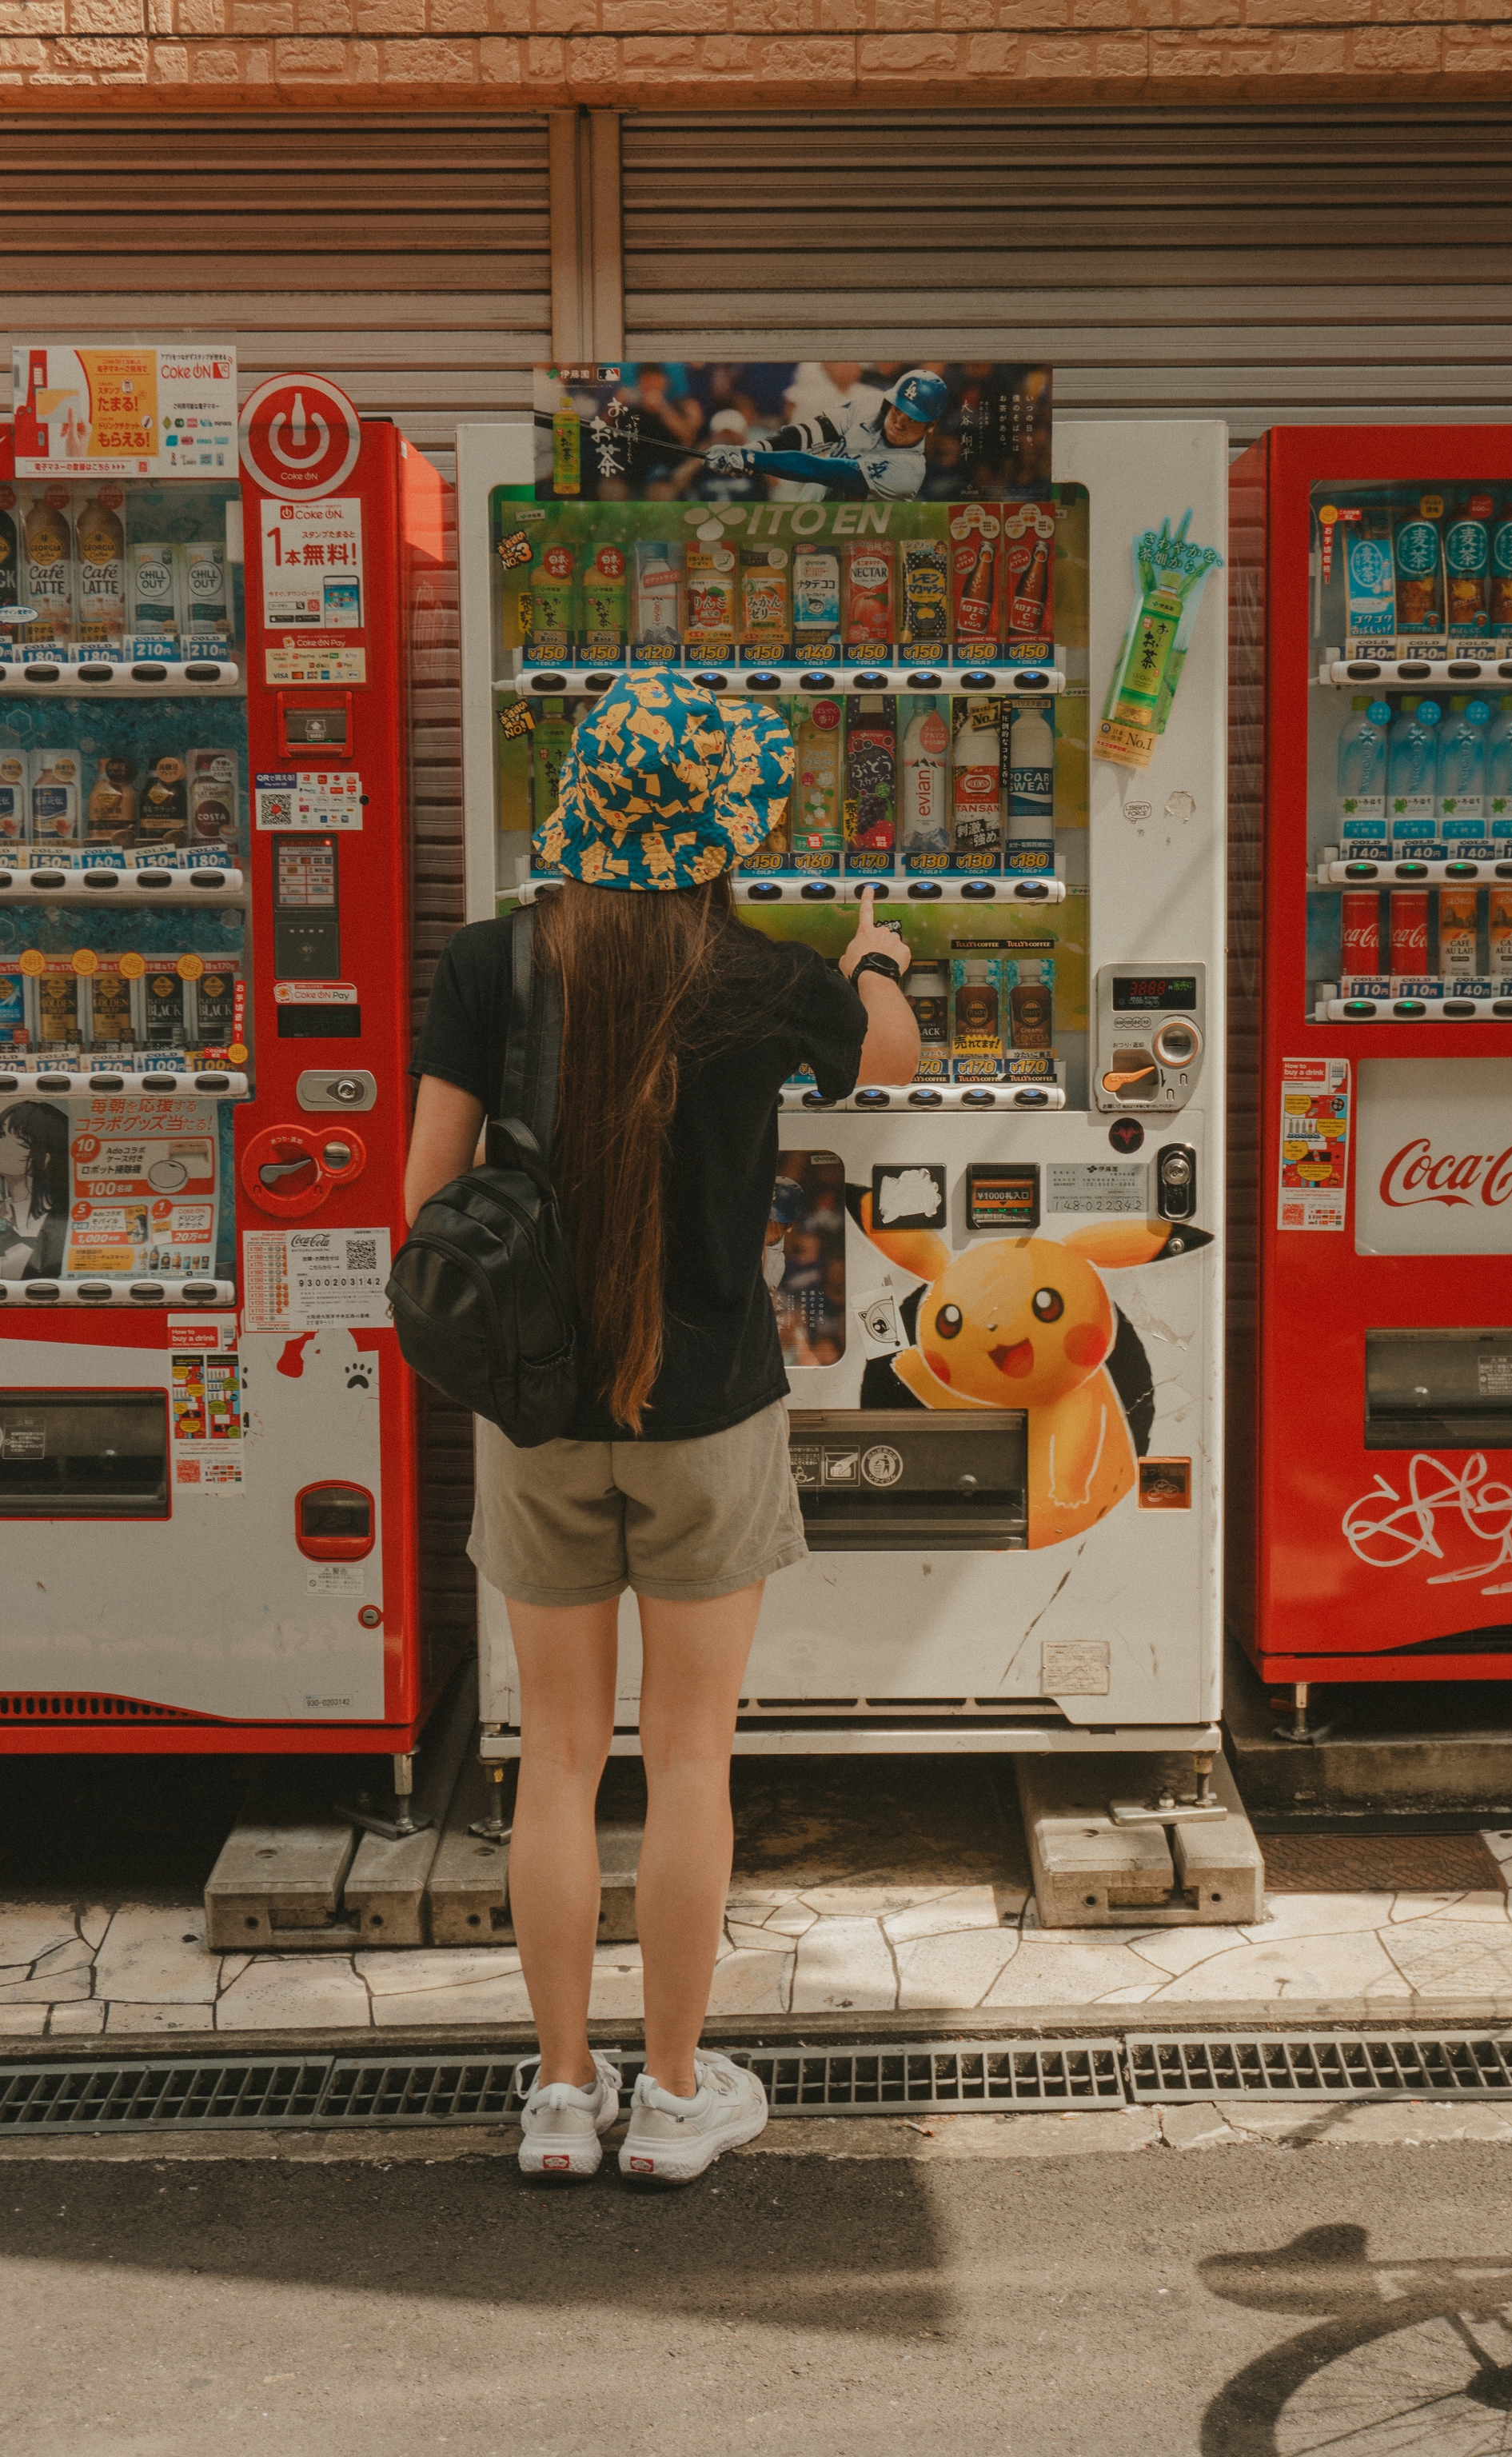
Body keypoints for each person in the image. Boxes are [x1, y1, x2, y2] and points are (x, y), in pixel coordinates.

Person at [403, 670, 918, 2184]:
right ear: (721, 830)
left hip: (538, 1410)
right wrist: (874, 961)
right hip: (707, 1414)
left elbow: (424, 1201)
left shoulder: (490, 962)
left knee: (554, 1756)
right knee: (691, 1757)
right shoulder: (757, 973)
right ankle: (678, 2093)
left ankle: (562, 2092)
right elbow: (886, 1058)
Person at [705, 368, 949, 502]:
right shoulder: (872, 405)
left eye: (913, 419)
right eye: (898, 409)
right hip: (813, 526)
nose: (899, 422)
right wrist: (754, 451)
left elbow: (822, 470)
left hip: (869, 551)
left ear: (931, 425)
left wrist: (753, 460)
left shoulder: (908, 471)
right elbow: (806, 435)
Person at [0, 1098, 68, 1279]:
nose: (1, 1146)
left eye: (22, 1143)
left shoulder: (59, 1219)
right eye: (1, 1135)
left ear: (45, 1158)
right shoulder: (5, 1211)